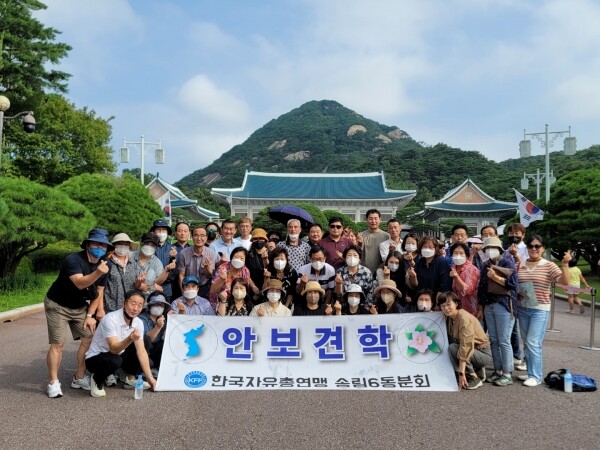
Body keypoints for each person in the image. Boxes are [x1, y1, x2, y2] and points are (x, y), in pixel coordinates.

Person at [44, 228, 111, 398]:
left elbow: (99, 292)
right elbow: (80, 283)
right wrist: (98, 272)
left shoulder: (105, 264)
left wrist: (90, 315)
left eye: (103, 245)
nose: (100, 247)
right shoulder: (73, 259)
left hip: (80, 307)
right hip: (58, 305)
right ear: (88, 244)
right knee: (58, 344)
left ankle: (79, 378)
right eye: (96, 243)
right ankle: (53, 382)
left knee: (88, 339)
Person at [516, 235, 570, 387]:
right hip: (523, 307)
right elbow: (513, 283)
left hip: (539, 309)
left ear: (543, 248)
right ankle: (531, 371)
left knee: (533, 342)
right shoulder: (519, 264)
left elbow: (565, 282)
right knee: (527, 342)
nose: (534, 249)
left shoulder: (549, 265)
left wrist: (565, 265)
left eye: (537, 246)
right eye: (531, 246)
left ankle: (536, 376)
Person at [84, 290, 157, 397]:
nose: (135, 308)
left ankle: (131, 378)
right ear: (124, 303)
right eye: (133, 304)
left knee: (145, 342)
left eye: (139, 305)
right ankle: (96, 379)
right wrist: (130, 338)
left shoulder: (138, 322)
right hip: (96, 358)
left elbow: (141, 351)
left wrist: (150, 378)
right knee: (115, 360)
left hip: (119, 354)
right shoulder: (110, 319)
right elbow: (113, 349)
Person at [477, 237, 518, 387]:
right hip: (489, 305)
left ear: (499, 249)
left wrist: (495, 278)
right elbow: (482, 287)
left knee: (504, 340)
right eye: (487, 248)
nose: (490, 250)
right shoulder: (486, 265)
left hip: (504, 305)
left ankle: (507, 373)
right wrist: (481, 307)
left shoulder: (508, 262)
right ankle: (497, 370)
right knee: (493, 339)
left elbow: (513, 284)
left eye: (493, 247)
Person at [439, 291, 492, 390]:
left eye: (448, 304)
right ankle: (477, 369)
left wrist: (461, 372)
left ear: (456, 304)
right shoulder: (451, 317)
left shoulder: (464, 318)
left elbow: (466, 345)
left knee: (453, 348)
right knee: (452, 344)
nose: (446, 308)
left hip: (482, 352)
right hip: (473, 351)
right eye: (443, 306)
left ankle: (473, 377)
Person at [177, 226, 218, 300]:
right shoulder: (184, 253)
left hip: (204, 287)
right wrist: (183, 292)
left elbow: (209, 275)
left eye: (202, 235)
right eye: (196, 235)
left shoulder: (211, 253)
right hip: (188, 286)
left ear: (206, 237)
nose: (199, 238)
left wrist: (206, 268)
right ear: (192, 237)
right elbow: (181, 274)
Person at [102, 232, 138, 316]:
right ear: (114, 245)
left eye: (126, 244)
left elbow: (134, 285)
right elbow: (100, 288)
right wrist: (101, 308)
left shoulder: (133, 263)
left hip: (129, 310)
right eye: (120, 244)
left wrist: (139, 282)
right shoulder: (106, 262)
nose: (123, 246)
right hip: (109, 308)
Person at [408, 236, 451, 304]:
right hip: (421, 300)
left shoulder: (441, 262)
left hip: (436, 301)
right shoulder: (419, 262)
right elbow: (415, 285)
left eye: (431, 247)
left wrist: (437, 303)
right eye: (424, 247)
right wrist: (413, 276)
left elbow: (444, 286)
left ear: (436, 249)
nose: (427, 249)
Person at [131, 232, 174, 298]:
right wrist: (138, 285)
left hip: (148, 298)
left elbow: (157, 283)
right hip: (130, 297)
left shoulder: (157, 262)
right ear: (141, 243)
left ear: (156, 248)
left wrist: (166, 270)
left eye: (152, 245)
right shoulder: (130, 257)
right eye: (147, 244)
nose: (149, 247)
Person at [137, 292, 171, 373]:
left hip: (155, 349)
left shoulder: (162, 318)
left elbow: (165, 337)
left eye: (161, 305)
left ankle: (159, 368)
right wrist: (158, 327)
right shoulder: (141, 319)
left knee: (165, 344)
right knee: (150, 364)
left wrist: (171, 319)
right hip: (142, 350)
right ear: (149, 305)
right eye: (156, 304)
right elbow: (146, 340)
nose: (159, 307)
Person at [448, 242, 480, 317]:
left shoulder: (471, 269)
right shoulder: (453, 268)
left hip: (471, 310)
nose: (458, 256)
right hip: (457, 310)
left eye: (461, 253)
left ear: (466, 256)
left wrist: (456, 278)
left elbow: (469, 291)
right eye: (455, 253)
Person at [149, 219, 178, 301]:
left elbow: (174, 272)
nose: (161, 232)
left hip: (166, 287)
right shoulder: (149, 247)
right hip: (150, 286)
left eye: (164, 230)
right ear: (153, 232)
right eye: (158, 230)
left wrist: (172, 258)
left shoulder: (172, 248)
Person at [357, 209, 390, 274]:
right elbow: (357, 253)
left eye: (375, 218)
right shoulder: (361, 235)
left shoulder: (386, 236)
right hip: (364, 271)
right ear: (366, 220)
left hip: (381, 271)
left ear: (380, 220)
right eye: (370, 219)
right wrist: (359, 244)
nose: (373, 221)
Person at [246, 228, 270, 296]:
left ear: (265, 240)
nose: (258, 241)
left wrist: (266, 260)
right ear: (252, 240)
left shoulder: (272, 254)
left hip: (269, 287)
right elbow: (245, 272)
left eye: (261, 238)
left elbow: (272, 269)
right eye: (255, 239)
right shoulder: (248, 255)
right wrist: (253, 286)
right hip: (252, 288)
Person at [171, 221, 191, 300]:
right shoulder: (170, 248)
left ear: (189, 233)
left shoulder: (193, 249)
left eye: (185, 231)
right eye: (180, 231)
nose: (183, 233)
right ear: (176, 233)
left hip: (190, 283)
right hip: (173, 284)